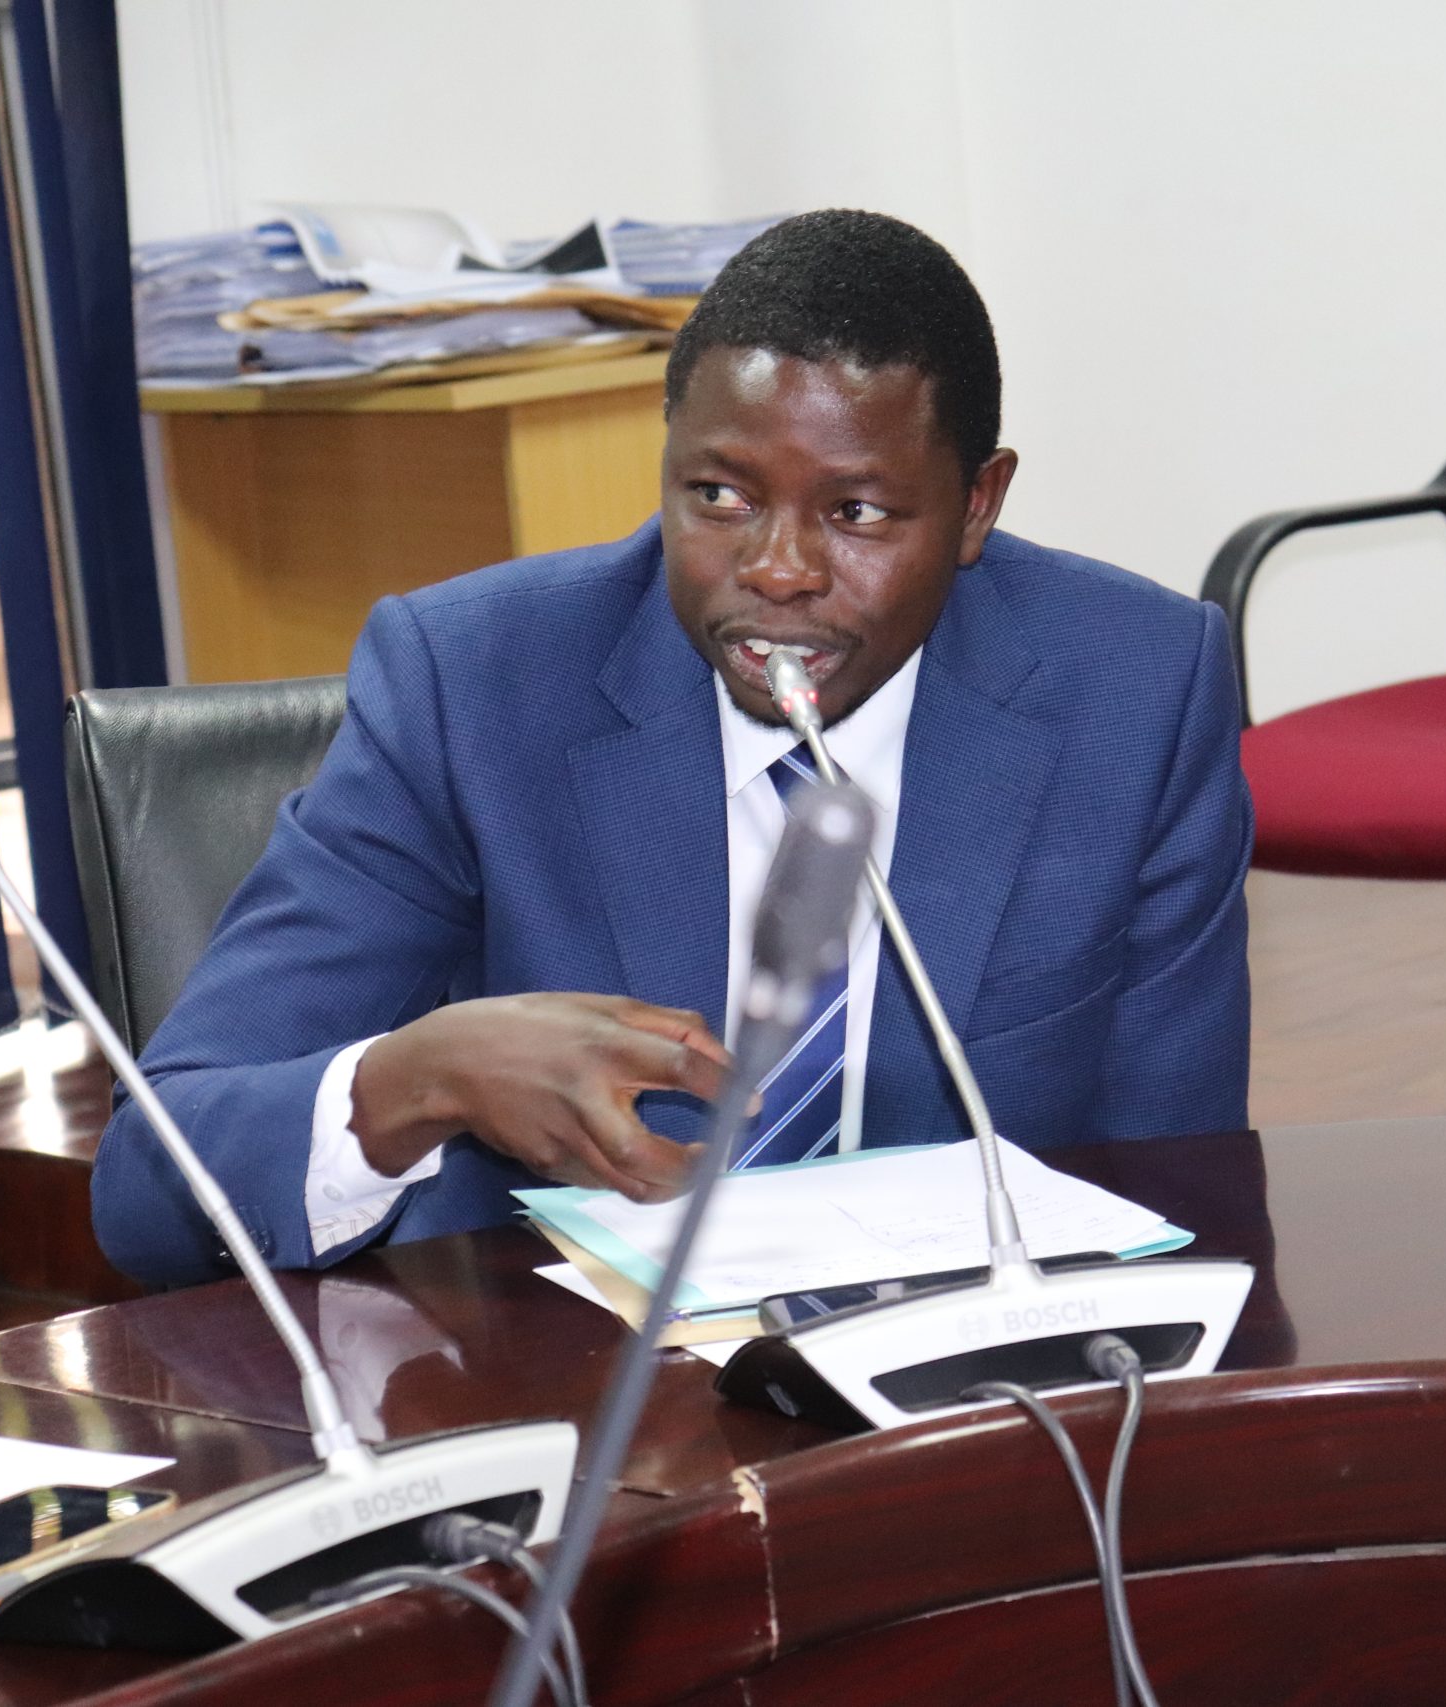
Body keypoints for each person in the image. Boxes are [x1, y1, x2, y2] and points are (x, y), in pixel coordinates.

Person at [91, 209, 1252, 1290]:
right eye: (719, 496)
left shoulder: (1135, 690)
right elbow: (149, 1185)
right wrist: (416, 1080)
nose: (778, 570)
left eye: (857, 513)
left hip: (974, 1384)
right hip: (575, 1385)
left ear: (977, 505)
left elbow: (1181, 1189)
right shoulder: (472, 687)